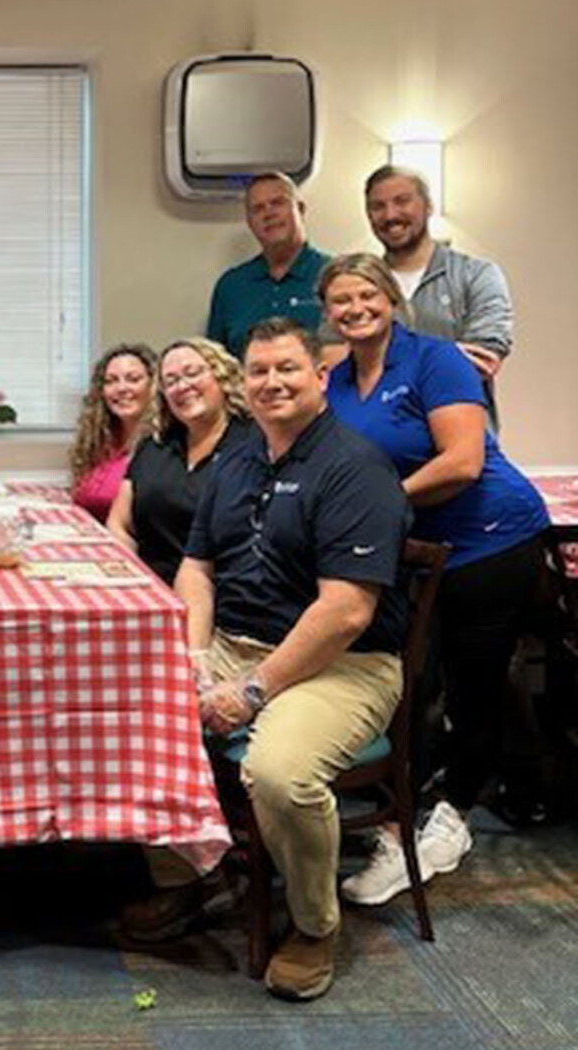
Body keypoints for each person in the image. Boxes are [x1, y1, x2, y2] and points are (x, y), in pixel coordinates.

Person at [170, 317, 411, 1000]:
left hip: (342, 663)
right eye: (259, 371)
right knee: (129, 713)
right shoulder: (238, 458)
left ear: (321, 377)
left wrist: (251, 690)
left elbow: (346, 612)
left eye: (287, 369)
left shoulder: (356, 468)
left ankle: (312, 927)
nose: (271, 382)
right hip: (233, 644)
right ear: (243, 383)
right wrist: (195, 653)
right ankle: (193, 880)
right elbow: (196, 568)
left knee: (278, 773)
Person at [319, 253, 549, 906]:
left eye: (366, 294)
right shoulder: (338, 379)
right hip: (414, 549)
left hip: (492, 539)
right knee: (410, 683)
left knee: (475, 686)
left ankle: (453, 817)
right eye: (341, 300)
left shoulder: (436, 360)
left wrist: (379, 502)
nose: (355, 308)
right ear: (327, 312)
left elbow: (463, 461)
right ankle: (405, 811)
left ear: (390, 299)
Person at [364, 164, 513, 423]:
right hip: (378, 441)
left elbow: (483, 360)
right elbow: (336, 364)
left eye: (402, 201)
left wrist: (378, 364)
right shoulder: (359, 285)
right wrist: (447, 356)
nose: (390, 215)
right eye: (378, 206)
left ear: (429, 206)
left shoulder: (477, 275)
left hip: (463, 436)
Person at [107, 337, 252, 585]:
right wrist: (134, 576)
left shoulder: (254, 445)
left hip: (222, 592)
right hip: (148, 584)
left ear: (222, 377)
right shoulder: (154, 445)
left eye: (192, 373)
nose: (182, 386)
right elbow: (120, 523)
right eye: (171, 381)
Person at [206, 172, 331, 358]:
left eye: (278, 203)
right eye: (257, 209)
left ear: (300, 209)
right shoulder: (231, 286)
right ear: (249, 222)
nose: (269, 214)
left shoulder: (334, 275)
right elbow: (216, 364)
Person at [69, 343, 157, 523]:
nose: (121, 388)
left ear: (153, 386)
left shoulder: (160, 446)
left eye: (133, 379)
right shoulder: (98, 441)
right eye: (111, 381)